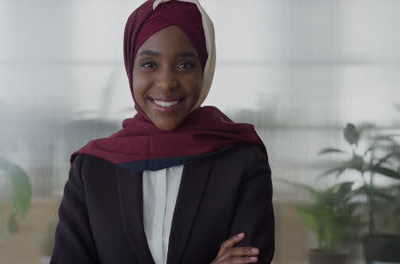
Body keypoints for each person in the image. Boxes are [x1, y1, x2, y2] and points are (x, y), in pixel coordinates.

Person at [50, 0, 275, 263]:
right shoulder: (92, 169)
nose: (167, 83)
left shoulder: (242, 162)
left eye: (185, 65)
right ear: (129, 68)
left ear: (205, 69)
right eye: (149, 64)